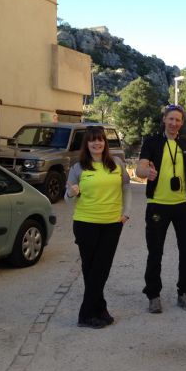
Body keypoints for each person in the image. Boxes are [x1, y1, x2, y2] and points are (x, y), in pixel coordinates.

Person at [65, 125, 131, 329]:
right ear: (87, 143)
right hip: (86, 224)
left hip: (112, 223)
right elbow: (67, 199)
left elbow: (126, 188)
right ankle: (88, 314)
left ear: (105, 142)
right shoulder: (78, 168)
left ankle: (98, 308)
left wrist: (125, 212)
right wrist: (72, 193)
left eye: (100, 139)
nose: (97, 143)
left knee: (100, 268)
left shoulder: (116, 164)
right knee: (92, 269)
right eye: (93, 140)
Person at [136, 104, 186, 313]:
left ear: (182, 123)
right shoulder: (152, 141)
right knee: (155, 251)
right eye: (171, 119)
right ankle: (153, 295)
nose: (174, 123)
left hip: (182, 205)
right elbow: (140, 168)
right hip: (157, 205)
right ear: (164, 119)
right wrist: (147, 173)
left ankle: (184, 293)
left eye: (178, 120)